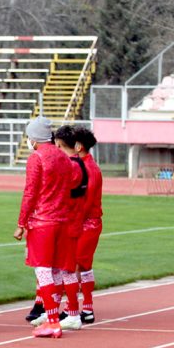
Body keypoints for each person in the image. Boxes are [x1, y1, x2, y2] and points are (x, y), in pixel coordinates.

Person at [13, 116, 81, 338]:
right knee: (59, 270)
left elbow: (30, 192)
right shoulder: (64, 157)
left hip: (43, 221)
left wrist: (21, 222)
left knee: (43, 270)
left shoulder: (37, 158)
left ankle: (52, 320)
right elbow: (72, 184)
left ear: (34, 138)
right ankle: (60, 316)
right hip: (62, 220)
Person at [29, 125, 88, 331]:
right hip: (68, 221)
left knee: (54, 269)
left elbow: (53, 193)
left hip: (61, 221)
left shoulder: (70, 165)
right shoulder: (78, 165)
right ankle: (63, 312)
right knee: (62, 269)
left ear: (59, 144)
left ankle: (61, 314)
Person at [74, 126, 102, 323]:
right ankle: (87, 307)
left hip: (87, 223)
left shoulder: (89, 168)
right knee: (83, 266)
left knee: (77, 264)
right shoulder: (84, 165)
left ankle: (76, 308)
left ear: (79, 146)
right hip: (87, 222)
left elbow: (86, 199)